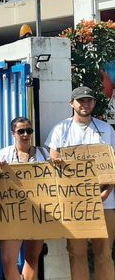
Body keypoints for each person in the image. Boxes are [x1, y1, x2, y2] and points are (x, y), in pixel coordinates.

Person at [45, 86, 115, 280]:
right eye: (81, 100)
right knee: (77, 252)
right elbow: (52, 161)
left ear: (94, 103)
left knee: (104, 253)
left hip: (105, 201)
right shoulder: (61, 129)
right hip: (74, 203)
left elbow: (113, 164)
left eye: (89, 100)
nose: (85, 104)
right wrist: (56, 163)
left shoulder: (106, 129)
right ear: (72, 104)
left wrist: (107, 192)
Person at [0, 117, 47, 280]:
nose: (25, 134)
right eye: (21, 131)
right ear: (13, 133)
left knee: (32, 257)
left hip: (37, 213)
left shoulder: (43, 154)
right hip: (12, 214)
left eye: (29, 131)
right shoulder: (4, 154)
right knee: (8, 260)